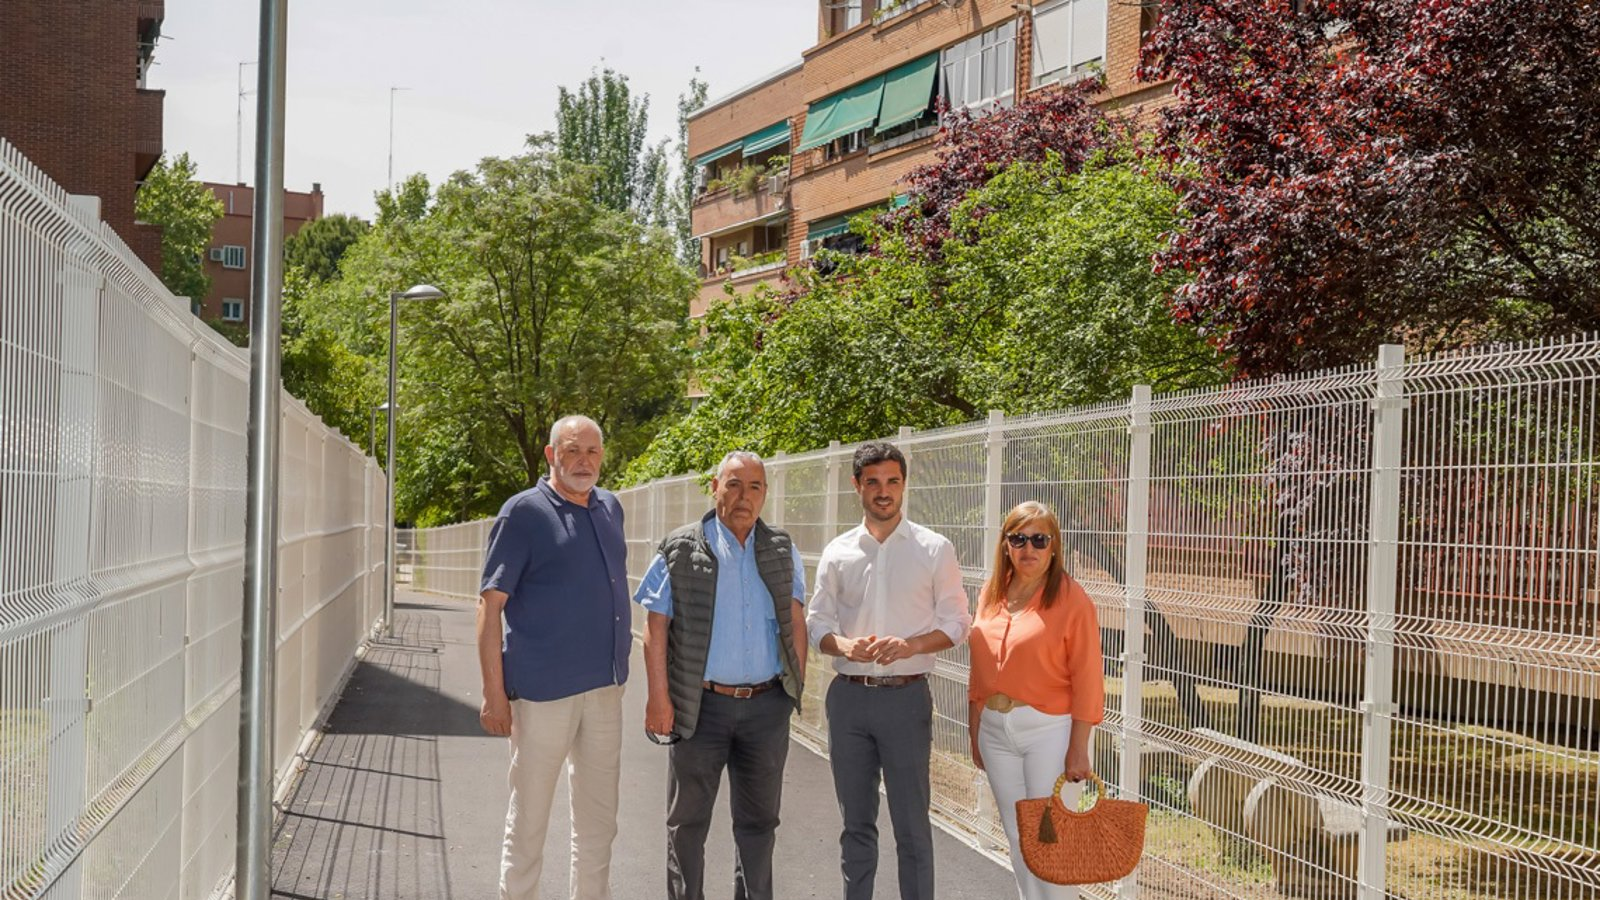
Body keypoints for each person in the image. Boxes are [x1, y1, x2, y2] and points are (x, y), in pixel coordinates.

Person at [633, 451, 808, 900]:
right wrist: (659, 699)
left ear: (765, 494)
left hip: (766, 708)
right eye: (734, 484)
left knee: (759, 824)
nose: (743, 496)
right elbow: (656, 627)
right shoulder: (679, 547)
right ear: (715, 486)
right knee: (688, 822)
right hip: (700, 708)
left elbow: (795, 620)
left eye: (754, 487)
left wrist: (793, 691)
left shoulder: (783, 549)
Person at [807, 441, 972, 900]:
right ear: (857, 485)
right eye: (874, 482)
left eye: (893, 482)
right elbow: (817, 621)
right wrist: (843, 644)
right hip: (849, 700)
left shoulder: (934, 549)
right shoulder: (838, 552)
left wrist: (910, 646)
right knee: (856, 825)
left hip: (906, 700)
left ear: (904, 485)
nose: (884, 492)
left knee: (912, 826)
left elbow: (958, 622)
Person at [477, 415, 631, 900]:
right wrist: (494, 695)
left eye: (592, 452)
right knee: (529, 823)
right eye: (571, 451)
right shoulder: (522, 513)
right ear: (551, 455)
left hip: (605, 691)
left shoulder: (610, 507)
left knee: (599, 822)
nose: (583, 461)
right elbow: (489, 609)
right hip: (542, 693)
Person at [967, 501, 1104, 900]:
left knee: (1050, 842)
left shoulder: (1071, 600)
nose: (1029, 548)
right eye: (1019, 538)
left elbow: (1088, 680)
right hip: (995, 732)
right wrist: (976, 732)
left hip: (1049, 733)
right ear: (1006, 544)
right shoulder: (990, 594)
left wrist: (1079, 748)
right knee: (1019, 839)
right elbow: (979, 673)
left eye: (1039, 539)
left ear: (1054, 547)